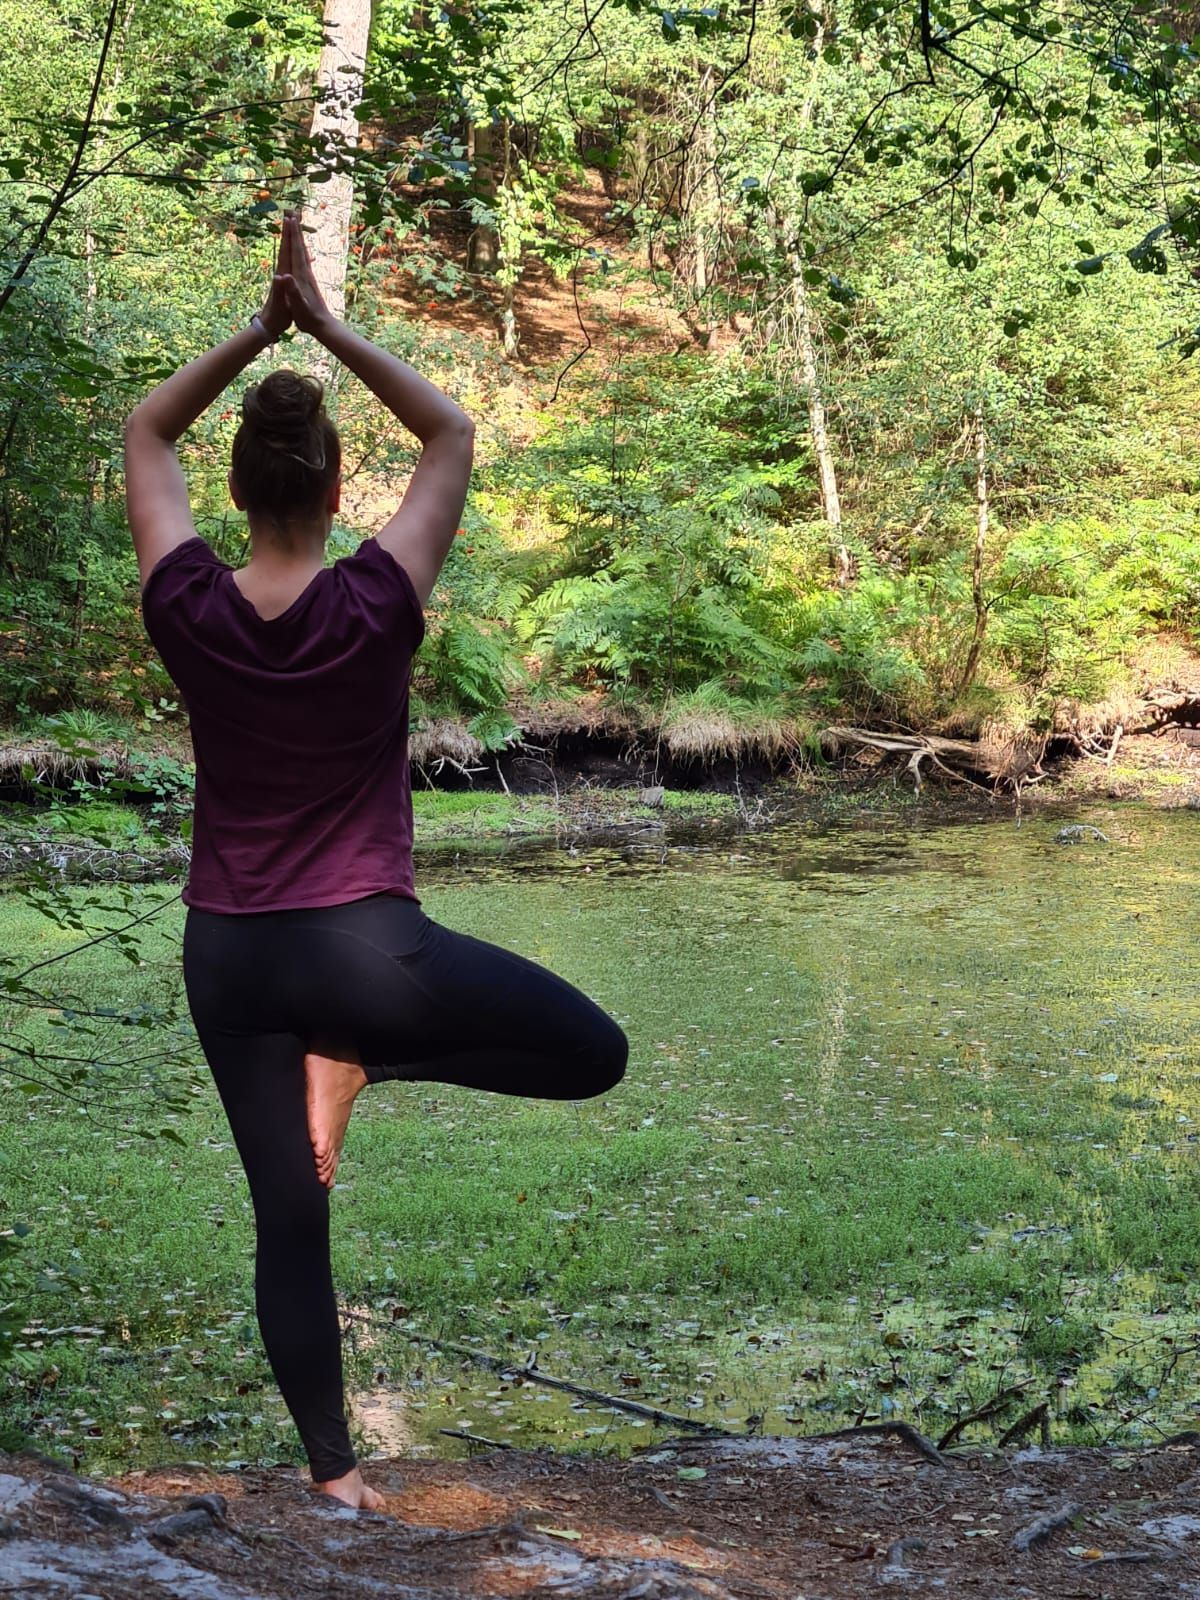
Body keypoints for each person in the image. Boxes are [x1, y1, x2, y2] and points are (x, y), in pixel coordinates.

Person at [124, 211, 629, 1512]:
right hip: (363, 950)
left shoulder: (186, 604)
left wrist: (259, 331)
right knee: (593, 1054)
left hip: (229, 958)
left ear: (239, 491)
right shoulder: (374, 600)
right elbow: (451, 432)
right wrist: (328, 328)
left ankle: (335, 1476)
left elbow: (145, 434)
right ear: (340, 488)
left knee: (289, 1220)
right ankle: (363, 1059)